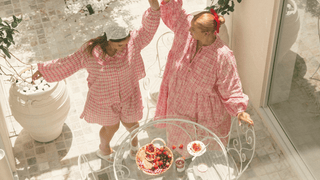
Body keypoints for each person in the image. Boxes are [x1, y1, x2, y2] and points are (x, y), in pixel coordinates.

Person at [32, 0, 161, 163]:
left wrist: (155, 8)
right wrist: (44, 70)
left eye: (126, 43)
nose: (124, 47)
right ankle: (104, 149)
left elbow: (147, 30)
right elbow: (69, 62)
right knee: (111, 127)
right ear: (108, 40)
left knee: (133, 125)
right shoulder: (91, 51)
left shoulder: (133, 43)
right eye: (120, 44)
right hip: (104, 100)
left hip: (129, 95)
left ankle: (135, 146)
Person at [154, 0, 254, 155]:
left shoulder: (223, 56)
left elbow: (231, 87)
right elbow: (176, 15)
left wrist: (240, 111)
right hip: (179, 101)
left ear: (207, 33)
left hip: (204, 113)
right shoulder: (187, 32)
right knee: (178, 139)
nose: (189, 31)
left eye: (193, 29)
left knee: (202, 148)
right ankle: (182, 160)